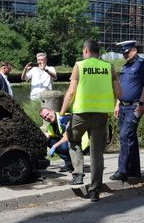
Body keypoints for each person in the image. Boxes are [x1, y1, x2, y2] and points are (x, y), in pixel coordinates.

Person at [60, 40, 120, 202]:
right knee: (96, 154)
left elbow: (71, 92)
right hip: (101, 116)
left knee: (72, 138)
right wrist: (114, 104)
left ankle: (78, 174)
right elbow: (118, 92)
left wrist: (62, 111)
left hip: (81, 114)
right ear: (98, 52)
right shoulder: (109, 67)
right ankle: (94, 191)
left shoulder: (79, 66)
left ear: (86, 51)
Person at [110, 40, 144, 181]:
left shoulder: (141, 64)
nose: (124, 55)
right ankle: (135, 170)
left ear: (134, 50)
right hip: (123, 106)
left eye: (126, 52)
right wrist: (117, 104)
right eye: (123, 53)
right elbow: (122, 88)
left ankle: (122, 171)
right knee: (131, 138)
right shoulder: (125, 66)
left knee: (124, 136)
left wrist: (142, 103)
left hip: (135, 106)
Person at [39, 107, 73, 172]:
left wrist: (54, 146)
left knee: (63, 146)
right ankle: (69, 163)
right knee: (48, 141)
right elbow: (46, 136)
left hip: (79, 140)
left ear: (52, 110)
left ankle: (74, 162)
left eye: (47, 114)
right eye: (45, 117)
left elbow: (67, 136)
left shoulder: (63, 117)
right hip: (68, 140)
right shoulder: (50, 126)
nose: (47, 117)